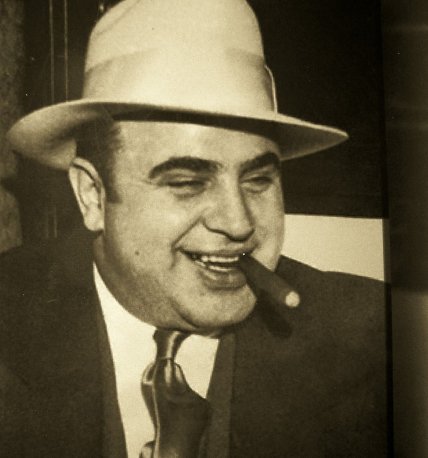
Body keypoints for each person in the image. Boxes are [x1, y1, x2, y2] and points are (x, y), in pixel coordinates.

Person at [0, 0, 389, 456]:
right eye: (187, 183)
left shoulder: (374, 341)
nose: (238, 222)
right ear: (93, 196)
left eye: (258, 180)